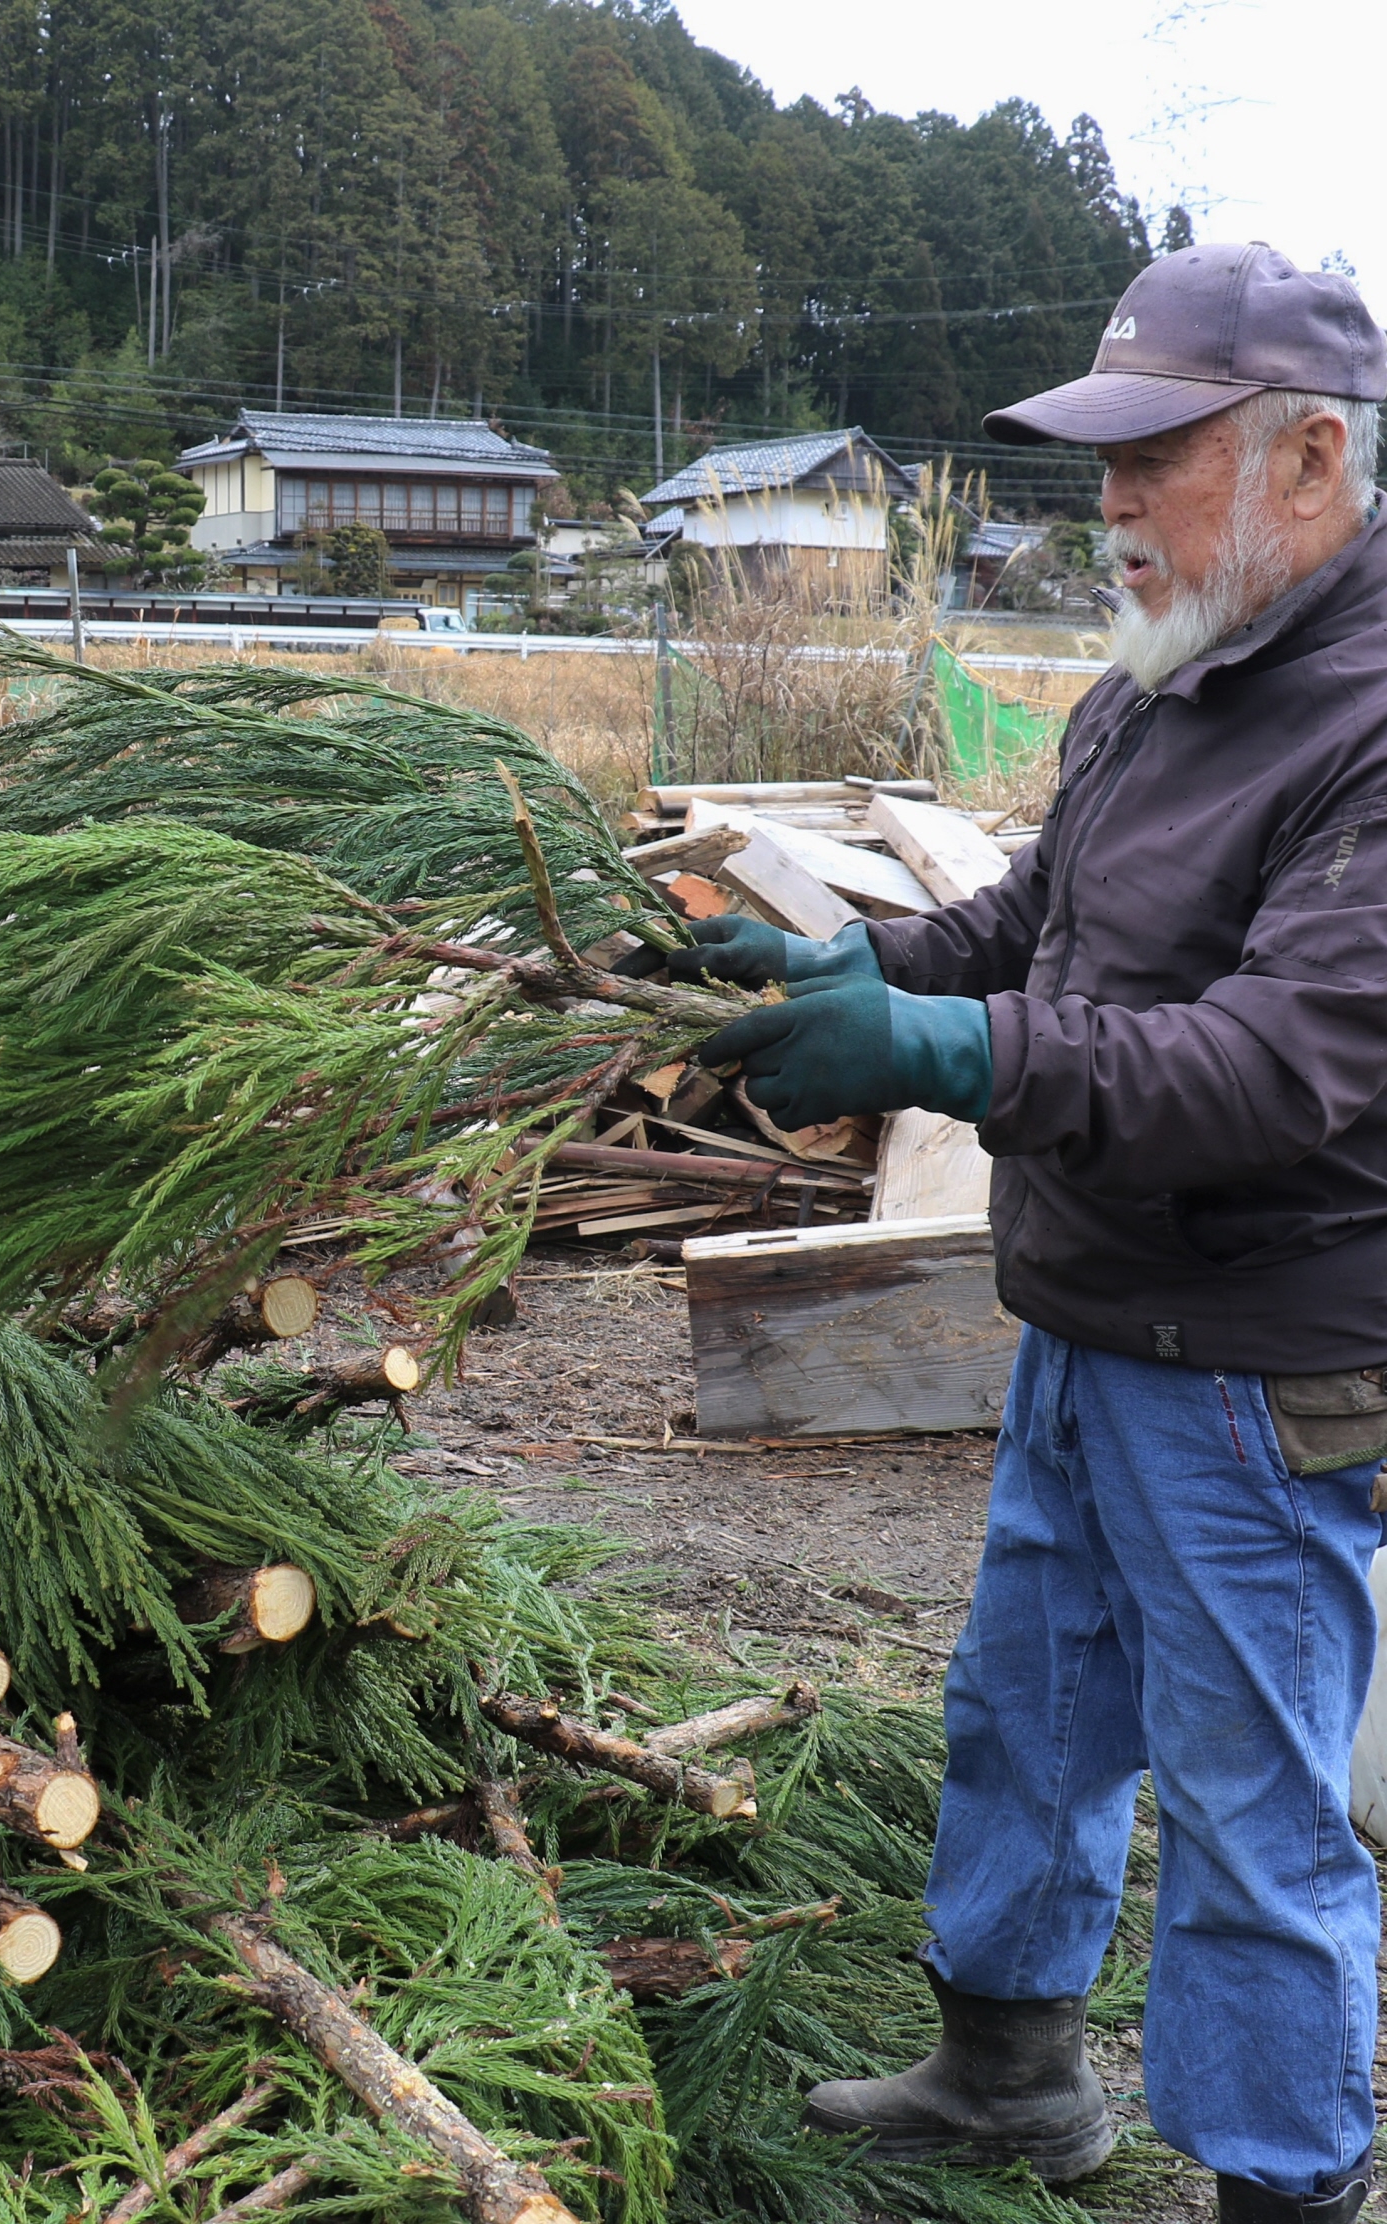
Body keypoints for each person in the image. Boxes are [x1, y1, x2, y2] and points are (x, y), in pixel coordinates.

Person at [659, 243, 1387, 2221]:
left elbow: (1265, 1068)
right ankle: (1010, 2081)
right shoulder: (1172, 676)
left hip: (1256, 1367)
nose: (1116, 510)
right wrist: (838, 956)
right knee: (1029, 1708)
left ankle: (1284, 2185)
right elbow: (1024, 925)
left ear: (1313, 456)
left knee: (1255, 1818)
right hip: (1085, 1315)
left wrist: (929, 1046)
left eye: (1157, 459)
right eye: (1104, 465)